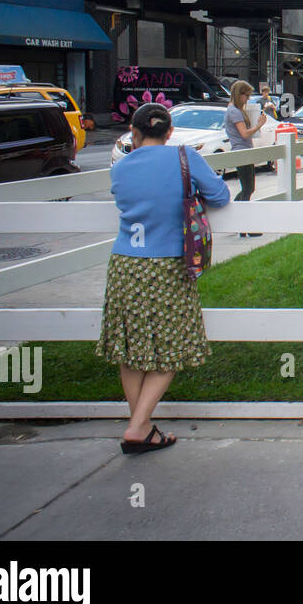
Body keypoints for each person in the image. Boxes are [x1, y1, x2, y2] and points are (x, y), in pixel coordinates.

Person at [97, 102, 230, 454]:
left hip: (126, 263)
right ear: (170, 132)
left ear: (134, 132)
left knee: (132, 349)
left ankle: (139, 424)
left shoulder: (121, 167)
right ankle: (139, 426)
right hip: (168, 263)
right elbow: (220, 195)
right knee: (172, 348)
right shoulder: (184, 158)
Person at [225, 80, 269, 238]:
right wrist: (259, 125)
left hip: (243, 151)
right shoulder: (235, 112)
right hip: (241, 151)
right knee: (248, 188)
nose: (248, 98)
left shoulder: (235, 110)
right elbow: (244, 134)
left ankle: (238, 221)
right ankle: (242, 223)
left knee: (248, 188)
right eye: (247, 95)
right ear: (240, 94)